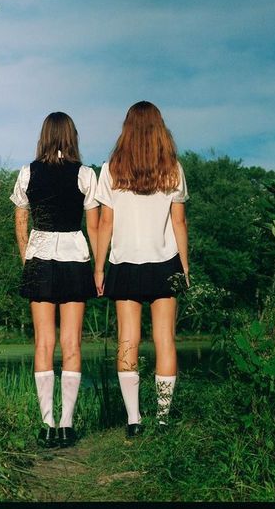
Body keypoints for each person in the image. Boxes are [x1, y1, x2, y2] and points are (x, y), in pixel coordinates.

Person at [94, 101, 190, 438]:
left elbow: (106, 222)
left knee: (127, 340)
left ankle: (134, 420)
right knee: (165, 339)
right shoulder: (174, 169)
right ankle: (163, 420)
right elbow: (179, 222)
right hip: (165, 262)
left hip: (124, 262)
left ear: (127, 129)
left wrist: (99, 267)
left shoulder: (111, 170)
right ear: (160, 128)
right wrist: (185, 268)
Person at [10, 112, 99, 448]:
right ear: (71, 136)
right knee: (72, 344)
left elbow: (20, 221)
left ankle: (47, 423)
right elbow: (93, 226)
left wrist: (27, 257)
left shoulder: (27, 173)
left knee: (44, 344)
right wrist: (99, 264)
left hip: (40, 258)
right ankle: (67, 425)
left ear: (44, 135)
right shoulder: (86, 175)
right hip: (75, 259)